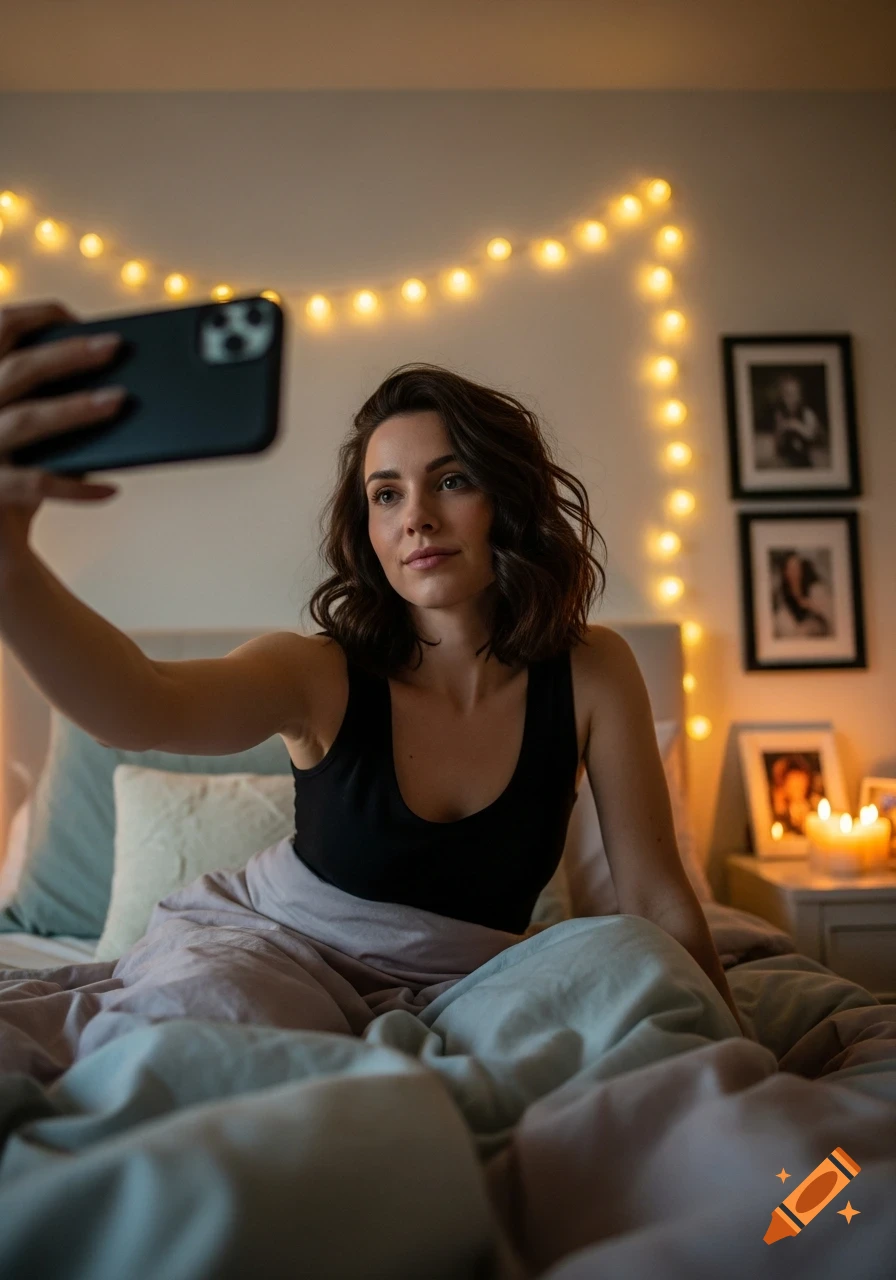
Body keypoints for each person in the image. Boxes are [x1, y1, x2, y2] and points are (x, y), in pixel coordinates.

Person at [0, 298, 748, 1038]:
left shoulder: (594, 669)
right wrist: (9, 566)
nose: (415, 516)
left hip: (481, 985)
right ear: (368, 527)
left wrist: (739, 1045)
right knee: (226, 1027)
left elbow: (655, 904)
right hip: (274, 953)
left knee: (631, 965)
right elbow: (144, 703)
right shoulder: (315, 673)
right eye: (386, 494)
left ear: (508, 500)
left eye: (451, 481)